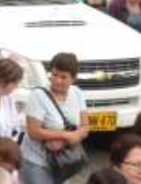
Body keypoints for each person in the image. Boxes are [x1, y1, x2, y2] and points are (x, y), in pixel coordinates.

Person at [20, 52, 89, 184]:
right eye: (54, 75)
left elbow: (85, 127)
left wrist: (66, 140)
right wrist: (67, 136)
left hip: (63, 163)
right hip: (37, 163)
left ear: (73, 79)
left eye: (64, 77)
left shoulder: (77, 93)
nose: (57, 80)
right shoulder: (38, 95)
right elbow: (33, 132)